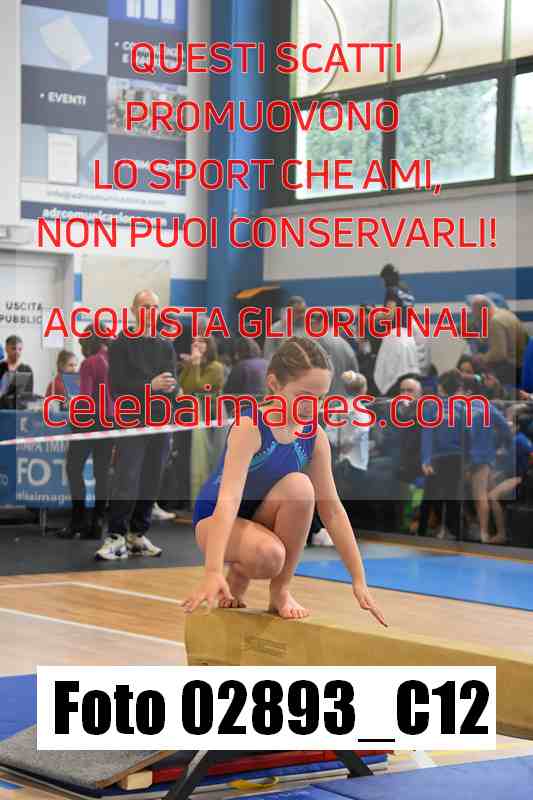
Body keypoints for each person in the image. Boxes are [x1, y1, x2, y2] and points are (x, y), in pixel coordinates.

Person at [183, 337, 386, 625]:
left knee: (301, 487)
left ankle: (279, 590)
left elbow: (332, 511)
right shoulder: (250, 427)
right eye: (303, 396)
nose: (311, 407)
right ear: (274, 384)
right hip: (215, 519)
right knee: (270, 557)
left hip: (261, 516)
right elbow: (228, 501)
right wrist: (212, 571)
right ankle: (238, 569)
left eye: (320, 399)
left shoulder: (314, 436)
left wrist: (358, 579)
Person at [99, 289, 177, 561]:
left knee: (152, 479)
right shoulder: (121, 344)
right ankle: (116, 535)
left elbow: (172, 383)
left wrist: (170, 389)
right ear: (133, 311)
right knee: (126, 478)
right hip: (132, 420)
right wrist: (150, 386)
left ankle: (137, 534)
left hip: (160, 421)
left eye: (154, 307)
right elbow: (117, 387)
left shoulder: (165, 345)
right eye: (144, 307)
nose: (150, 312)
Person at [59, 328, 113, 541]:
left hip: (88, 423)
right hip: (110, 422)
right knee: (102, 473)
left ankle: (77, 521)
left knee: (73, 468)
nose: (82, 349)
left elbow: (85, 399)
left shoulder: (90, 363)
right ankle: (98, 522)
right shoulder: (113, 361)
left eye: (82, 344)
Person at [418, 370, 467, 540]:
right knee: (452, 496)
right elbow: (466, 437)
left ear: (440, 387)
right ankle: (456, 533)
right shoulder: (462, 409)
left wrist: (426, 459)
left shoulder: (432, 407)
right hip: (456, 459)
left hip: (437, 459)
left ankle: (422, 531)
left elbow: (427, 434)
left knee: (430, 496)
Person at [470, 295, 529, 386]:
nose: (475, 317)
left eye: (475, 314)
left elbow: (499, 354)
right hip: (524, 363)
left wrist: (482, 358)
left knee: (477, 369)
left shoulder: (495, 322)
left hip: (514, 368)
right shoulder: (505, 314)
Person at [372, 305, 421, 396]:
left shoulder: (392, 337)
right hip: (410, 376)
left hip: (393, 384)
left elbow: (384, 365)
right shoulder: (408, 334)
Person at [262, 296, 308, 362]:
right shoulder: (275, 328)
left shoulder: (312, 327)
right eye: (298, 312)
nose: (302, 315)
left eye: (303, 311)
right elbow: (268, 353)